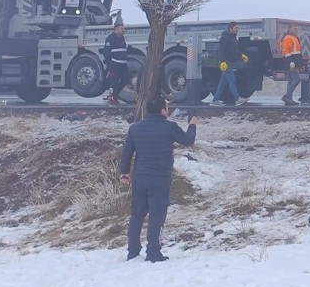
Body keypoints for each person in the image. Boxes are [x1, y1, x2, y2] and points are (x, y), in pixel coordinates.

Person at [118, 95, 197, 262]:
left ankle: (133, 251)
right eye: (167, 108)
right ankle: (153, 251)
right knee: (157, 215)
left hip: (140, 177)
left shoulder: (135, 128)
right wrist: (192, 126)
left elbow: (127, 153)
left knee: (137, 215)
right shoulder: (169, 127)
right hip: (160, 178)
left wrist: (124, 172)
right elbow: (187, 141)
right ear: (163, 111)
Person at [213, 21, 250, 107]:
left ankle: (215, 100)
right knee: (232, 80)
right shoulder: (225, 38)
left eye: (238, 28)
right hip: (225, 63)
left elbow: (234, 50)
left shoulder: (233, 38)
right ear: (230, 29)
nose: (237, 30)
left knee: (222, 83)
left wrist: (241, 55)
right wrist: (222, 61)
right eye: (236, 28)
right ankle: (237, 99)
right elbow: (221, 50)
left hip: (229, 62)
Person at [280, 26, 310, 106]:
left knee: (291, 80)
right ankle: (287, 96)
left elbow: (296, 53)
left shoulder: (294, 38)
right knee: (297, 79)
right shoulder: (288, 38)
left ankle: (289, 99)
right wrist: (291, 62)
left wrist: (299, 64)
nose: (297, 30)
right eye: (295, 29)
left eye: (297, 29)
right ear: (289, 29)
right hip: (291, 63)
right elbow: (286, 51)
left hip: (293, 63)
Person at [104, 21, 130, 106]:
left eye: (123, 29)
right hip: (115, 63)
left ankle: (115, 95)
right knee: (113, 82)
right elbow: (106, 52)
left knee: (125, 79)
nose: (123, 30)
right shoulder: (110, 38)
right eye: (121, 29)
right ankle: (112, 98)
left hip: (123, 64)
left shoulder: (122, 38)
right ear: (116, 29)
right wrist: (110, 63)